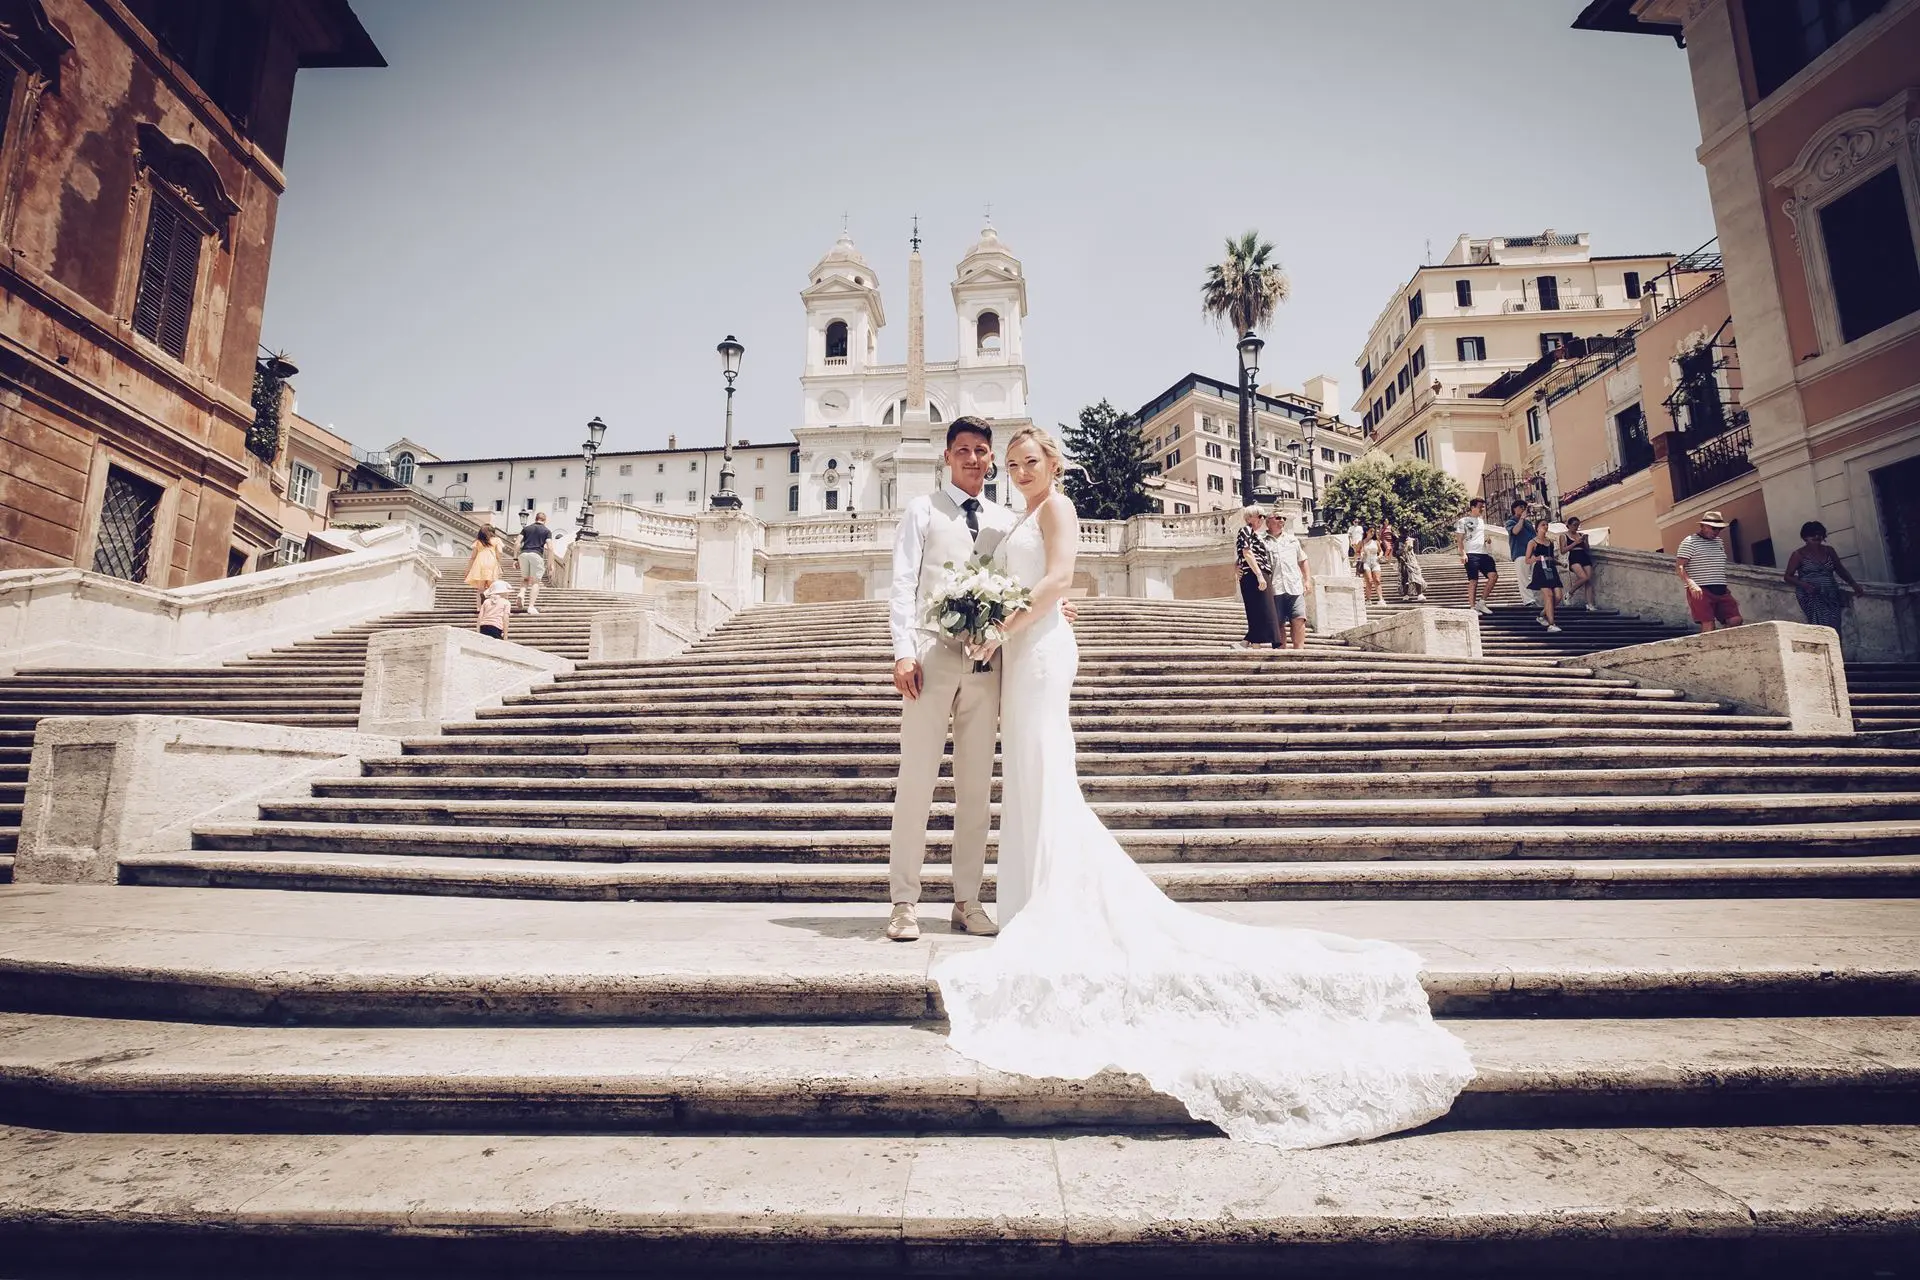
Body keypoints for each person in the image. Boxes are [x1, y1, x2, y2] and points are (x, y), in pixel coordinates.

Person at [930, 424, 1471, 1150]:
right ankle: (1029, 902)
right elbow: (1041, 584)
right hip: (1027, 645)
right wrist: (1006, 615)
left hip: (1037, 651)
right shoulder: (1023, 514)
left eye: (1033, 461)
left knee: (1045, 769)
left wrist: (1004, 626)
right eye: (1016, 463)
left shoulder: (1055, 508)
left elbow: (1058, 580)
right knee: (1030, 775)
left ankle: (1048, 902)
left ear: (1054, 464)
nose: (1023, 470)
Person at [884, 417, 1019, 944]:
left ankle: (967, 900)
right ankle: (903, 902)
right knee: (915, 781)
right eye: (962, 450)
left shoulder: (1004, 519)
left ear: (990, 459)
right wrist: (902, 653)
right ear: (947, 457)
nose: (971, 458)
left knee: (976, 788)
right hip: (931, 657)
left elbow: (1018, 585)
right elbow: (902, 583)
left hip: (986, 664)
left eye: (981, 450)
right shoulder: (921, 510)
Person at [1783, 520, 1863, 634]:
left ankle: (1836, 649)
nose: (1817, 537)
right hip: (1810, 594)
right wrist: (1805, 585)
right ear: (1805, 537)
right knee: (1820, 626)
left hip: (1830, 592)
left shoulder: (1829, 551)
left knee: (1835, 626)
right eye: (1812, 534)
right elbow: (1787, 576)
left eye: (1819, 534)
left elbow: (1839, 569)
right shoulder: (1798, 554)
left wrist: (1854, 584)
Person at [1675, 510, 1743, 632]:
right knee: (1708, 623)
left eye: (1719, 529)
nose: (1716, 532)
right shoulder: (1690, 541)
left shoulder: (1719, 542)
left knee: (1735, 620)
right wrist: (1692, 584)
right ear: (1703, 526)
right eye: (1713, 528)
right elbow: (1680, 567)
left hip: (1721, 588)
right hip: (1701, 589)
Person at [1262, 509, 1312, 650]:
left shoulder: (1292, 539)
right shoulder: (1261, 541)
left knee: (1299, 619)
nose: (1282, 520)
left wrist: (1307, 580)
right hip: (1274, 588)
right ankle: (1281, 655)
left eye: (1283, 518)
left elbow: (1303, 560)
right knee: (1277, 623)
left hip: (1294, 586)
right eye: (1278, 518)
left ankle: (1299, 652)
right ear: (1268, 521)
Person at [1234, 505, 1281, 649]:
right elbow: (1246, 552)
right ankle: (1251, 643)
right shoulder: (1245, 530)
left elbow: (1242, 555)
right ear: (1249, 518)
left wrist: (1236, 566)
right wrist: (1259, 575)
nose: (1262, 519)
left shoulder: (1255, 535)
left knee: (1261, 610)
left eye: (1263, 516)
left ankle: (1251, 643)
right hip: (1255, 575)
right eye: (1259, 516)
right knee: (1262, 610)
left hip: (1258, 574)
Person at [1455, 498, 1498, 614]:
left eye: (1483, 506)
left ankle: (1482, 602)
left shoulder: (1481, 521)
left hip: (1484, 553)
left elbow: (1478, 535)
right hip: (1471, 554)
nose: (1482, 509)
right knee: (1473, 580)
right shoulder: (1463, 521)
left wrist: (1486, 540)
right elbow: (1459, 539)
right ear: (1473, 507)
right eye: (1480, 506)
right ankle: (1473, 607)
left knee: (1493, 576)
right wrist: (1462, 553)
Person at [1526, 522, 1564, 634]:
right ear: (1537, 528)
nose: (1546, 527)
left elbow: (1551, 557)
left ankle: (1542, 615)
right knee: (1549, 595)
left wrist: (1560, 563)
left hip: (1551, 569)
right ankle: (1551, 624)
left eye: (1547, 525)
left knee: (1558, 596)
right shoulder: (1532, 542)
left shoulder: (1550, 542)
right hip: (1540, 569)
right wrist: (1537, 558)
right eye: (1543, 525)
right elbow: (1527, 560)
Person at [516, 512, 553, 614]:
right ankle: (531, 606)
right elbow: (550, 548)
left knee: (525, 579)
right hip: (536, 555)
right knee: (535, 582)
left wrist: (515, 558)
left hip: (523, 554)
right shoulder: (546, 531)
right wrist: (550, 564)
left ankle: (522, 593)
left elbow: (517, 543)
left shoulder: (526, 529)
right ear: (544, 520)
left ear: (535, 519)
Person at [1504, 500, 1537, 608]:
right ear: (1515, 509)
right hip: (1520, 553)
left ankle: (1536, 599)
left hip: (1532, 554)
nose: (1523, 509)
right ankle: (1528, 601)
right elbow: (1515, 531)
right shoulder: (1511, 521)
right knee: (1524, 577)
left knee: (1534, 577)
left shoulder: (1528, 523)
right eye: (1521, 507)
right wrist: (1522, 518)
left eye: (1525, 507)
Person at [1563, 516, 1597, 611]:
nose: (1576, 527)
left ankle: (1590, 604)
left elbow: (1587, 548)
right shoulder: (1564, 536)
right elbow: (1563, 550)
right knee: (1584, 577)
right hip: (1574, 556)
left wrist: (1585, 540)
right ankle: (1569, 593)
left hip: (1584, 556)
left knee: (1588, 580)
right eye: (1574, 525)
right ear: (1569, 525)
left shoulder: (1580, 534)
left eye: (1578, 525)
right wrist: (1575, 542)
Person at [463, 526, 502, 610]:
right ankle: (492, 607)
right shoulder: (496, 540)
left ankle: (479, 607)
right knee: (493, 587)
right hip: (492, 562)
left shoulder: (478, 542)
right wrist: (498, 562)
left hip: (480, 563)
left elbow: (473, 557)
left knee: (480, 588)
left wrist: (467, 570)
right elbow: (500, 552)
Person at [1398, 529, 1429, 602]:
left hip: (1412, 561)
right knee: (1405, 577)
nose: (1405, 534)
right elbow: (1394, 552)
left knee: (1416, 577)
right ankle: (1406, 594)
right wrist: (1399, 555)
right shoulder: (1398, 541)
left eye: (1406, 532)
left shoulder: (1412, 540)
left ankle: (1420, 594)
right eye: (1403, 533)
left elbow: (1416, 551)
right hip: (1403, 561)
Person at [1358, 525, 1386, 606]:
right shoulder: (1362, 542)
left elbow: (1381, 551)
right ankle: (1368, 599)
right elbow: (1357, 552)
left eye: (1373, 531)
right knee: (1369, 581)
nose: (1373, 533)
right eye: (1371, 531)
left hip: (1375, 562)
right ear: (1366, 532)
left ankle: (1381, 599)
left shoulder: (1376, 542)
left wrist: (1380, 556)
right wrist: (1361, 554)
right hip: (1366, 562)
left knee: (1377, 580)